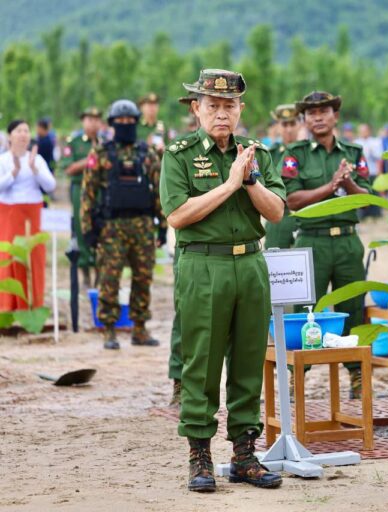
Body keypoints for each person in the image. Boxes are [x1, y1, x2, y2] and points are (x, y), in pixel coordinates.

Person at [160, 69, 285, 492]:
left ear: (240, 110)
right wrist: (229, 184)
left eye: (229, 106)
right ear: (196, 109)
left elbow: (276, 211)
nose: (221, 114)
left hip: (250, 263)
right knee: (202, 360)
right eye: (212, 106)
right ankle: (199, 455)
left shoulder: (258, 157)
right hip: (202, 265)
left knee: (250, 360)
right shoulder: (178, 155)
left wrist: (248, 180)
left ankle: (245, 454)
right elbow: (177, 215)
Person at [282, 90, 373, 399]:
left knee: (353, 309)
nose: (318, 117)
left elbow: (367, 197)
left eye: (324, 111)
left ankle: (357, 375)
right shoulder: (295, 154)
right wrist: (330, 186)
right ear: (305, 120)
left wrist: (347, 183)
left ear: (336, 115)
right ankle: (298, 377)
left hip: (347, 241)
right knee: (307, 310)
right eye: (311, 113)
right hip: (311, 242)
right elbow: (292, 199)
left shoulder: (354, 152)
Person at [81, 100, 165, 350]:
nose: (126, 125)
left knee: (143, 277)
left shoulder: (146, 153)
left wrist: (162, 225)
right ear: (113, 124)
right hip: (111, 227)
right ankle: (108, 329)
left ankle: (139, 328)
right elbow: (89, 192)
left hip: (142, 225)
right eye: (121, 122)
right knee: (109, 278)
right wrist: (88, 229)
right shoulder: (101, 153)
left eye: (130, 122)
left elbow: (159, 190)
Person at [0, 120, 56, 311]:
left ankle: (35, 303)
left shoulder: (37, 159)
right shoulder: (3, 160)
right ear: (10, 136)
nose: (23, 134)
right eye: (18, 131)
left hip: (33, 211)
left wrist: (34, 170)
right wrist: (13, 174)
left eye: (26, 131)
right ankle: (10, 305)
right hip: (10, 211)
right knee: (10, 255)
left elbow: (50, 186)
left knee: (35, 256)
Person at [167, 94, 200, 408]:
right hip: (191, 247)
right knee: (186, 317)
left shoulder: (240, 150)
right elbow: (173, 205)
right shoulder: (179, 154)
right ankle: (179, 382)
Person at [60, 107, 103, 287]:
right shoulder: (75, 143)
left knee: (101, 226)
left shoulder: (104, 143)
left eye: (96, 119)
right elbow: (68, 168)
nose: (92, 123)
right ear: (83, 121)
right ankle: (85, 271)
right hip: (81, 188)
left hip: (101, 189)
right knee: (81, 227)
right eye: (89, 119)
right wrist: (89, 161)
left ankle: (99, 273)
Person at [264, 103, 301, 249]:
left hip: (309, 220)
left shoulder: (312, 151)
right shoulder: (269, 154)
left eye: (293, 123)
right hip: (279, 220)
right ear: (278, 127)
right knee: (277, 269)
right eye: (285, 124)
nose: (289, 129)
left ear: (300, 124)